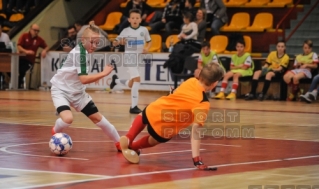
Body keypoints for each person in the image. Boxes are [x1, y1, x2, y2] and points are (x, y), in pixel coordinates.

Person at [119, 63, 224, 170]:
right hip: (163, 129)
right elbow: (196, 131)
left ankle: (129, 137)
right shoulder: (203, 104)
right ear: (215, 84)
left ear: (200, 74)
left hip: (154, 110)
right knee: (154, 140)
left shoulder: (191, 81)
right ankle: (133, 146)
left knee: (144, 114)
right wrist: (197, 159)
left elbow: (176, 93)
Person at [50, 21, 121, 152]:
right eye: (92, 42)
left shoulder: (84, 48)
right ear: (83, 40)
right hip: (61, 90)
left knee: (98, 118)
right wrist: (104, 73)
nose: (94, 46)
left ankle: (119, 143)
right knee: (68, 119)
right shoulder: (80, 54)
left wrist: (91, 26)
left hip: (77, 93)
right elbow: (83, 79)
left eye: (97, 43)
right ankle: (55, 130)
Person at [110, 9, 152, 114]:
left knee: (131, 83)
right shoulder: (125, 31)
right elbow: (114, 43)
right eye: (133, 18)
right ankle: (133, 107)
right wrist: (120, 41)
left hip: (139, 58)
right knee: (137, 79)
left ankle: (116, 81)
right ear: (129, 20)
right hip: (129, 57)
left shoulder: (144, 30)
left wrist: (147, 48)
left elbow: (149, 41)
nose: (135, 20)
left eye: (137, 18)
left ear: (140, 19)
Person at [17, 24, 49, 89]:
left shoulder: (39, 39)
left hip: (29, 61)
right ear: (30, 29)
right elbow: (19, 46)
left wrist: (44, 50)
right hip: (20, 58)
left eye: (38, 31)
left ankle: (18, 85)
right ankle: (16, 83)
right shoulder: (24, 36)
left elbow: (47, 46)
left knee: (22, 70)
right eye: (35, 30)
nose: (36, 32)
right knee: (11, 68)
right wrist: (26, 51)